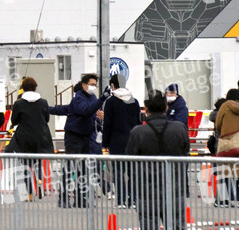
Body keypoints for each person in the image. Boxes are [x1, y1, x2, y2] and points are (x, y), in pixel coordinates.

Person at [126, 90, 189, 230]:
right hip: (174, 188)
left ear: (146, 108)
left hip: (146, 190)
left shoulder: (138, 132)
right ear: (166, 107)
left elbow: (130, 157)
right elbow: (185, 151)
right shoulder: (179, 129)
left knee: (148, 224)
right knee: (176, 225)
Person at [51, 75, 109, 207]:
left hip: (86, 136)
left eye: (95, 84)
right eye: (91, 84)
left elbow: (93, 113)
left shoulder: (92, 98)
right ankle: (63, 198)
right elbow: (86, 111)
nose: (94, 87)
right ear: (84, 85)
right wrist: (102, 99)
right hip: (74, 136)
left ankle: (80, 198)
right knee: (70, 167)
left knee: (84, 168)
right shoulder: (78, 98)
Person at [101, 74, 142, 208]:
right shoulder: (134, 101)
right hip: (133, 140)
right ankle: (133, 200)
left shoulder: (111, 102)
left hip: (116, 140)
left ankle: (121, 201)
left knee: (118, 171)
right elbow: (138, 122)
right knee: (133, 171)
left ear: (112, 85)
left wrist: (105, 143)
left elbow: (107, 124)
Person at [10, 77, 53, 199]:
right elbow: (47, 119)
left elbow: (14, 121)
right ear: (35, 88)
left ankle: (29, 192)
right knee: (38, 161)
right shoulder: (43, 102)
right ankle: (39, 180)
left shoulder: (19, 103)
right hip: (40, 136)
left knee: (26, 164)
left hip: (24, 137)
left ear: (23, 88)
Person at [214, 89, 239, 207]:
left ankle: (223, 200)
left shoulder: (225, 106)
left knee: (225, 171)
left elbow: (218, 124)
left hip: (228, 142)